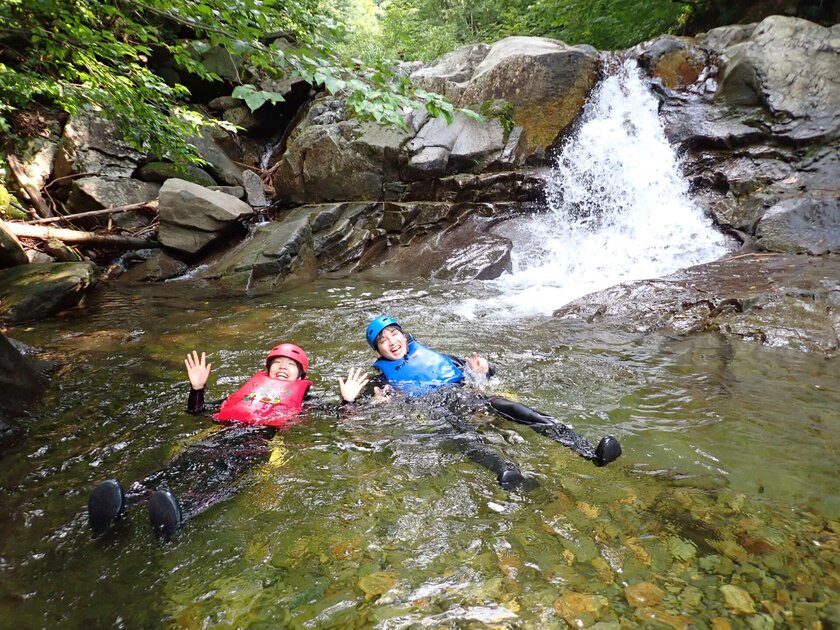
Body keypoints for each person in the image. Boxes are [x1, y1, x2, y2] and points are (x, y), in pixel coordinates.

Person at [86, 343, 337, 541]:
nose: (282, 367)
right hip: (221, 435)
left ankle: (182, 511)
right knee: (180, 465)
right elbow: (199, 412)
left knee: (220, 474)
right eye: (277, 362)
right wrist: (197, 388)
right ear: (268, 369)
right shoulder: (248, 393)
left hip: (257, 444)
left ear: (301, 373)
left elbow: (338, 417)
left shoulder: (307, 401)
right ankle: (127, 501)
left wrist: (347, 402)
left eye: (290, 364)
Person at [339, 316, 621, 489]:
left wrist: (484, 370)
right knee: (463, 435)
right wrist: (350, 402)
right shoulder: (382, 382)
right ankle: (506, 472)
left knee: (517, 410)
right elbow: (362, 418)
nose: (391, 341)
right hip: (436, 410)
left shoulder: (441, 358)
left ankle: (589, 452)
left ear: (403, 335)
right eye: (383, 340)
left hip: (469, 397)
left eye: (394, 333)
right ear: (377, 350)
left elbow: (483, 374)